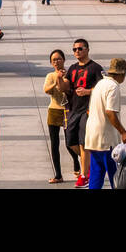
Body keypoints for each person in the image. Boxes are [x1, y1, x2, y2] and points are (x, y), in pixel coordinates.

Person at [84, 58, 126, 189]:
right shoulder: (113, 86)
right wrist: (123, 132)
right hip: (106, 140)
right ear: (120, 74)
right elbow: (110, 112)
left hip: (93, 137)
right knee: (115, 176)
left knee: (96, 174)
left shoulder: (100, 84)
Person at [64, 38, 104, 188]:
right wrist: (59, 77)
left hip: (88, 109)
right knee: (70, 141)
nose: (77, 52)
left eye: (80, 49)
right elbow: (65, 87)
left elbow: (103, 88)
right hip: (73, 108)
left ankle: (84, 175)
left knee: (83, 142)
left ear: (87, 49)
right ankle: (92, 162)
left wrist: (88, 91)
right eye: (74, 49)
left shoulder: (95, 68)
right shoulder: (72, 68)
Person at [44, 49, 72, 183]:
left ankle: (77, 165)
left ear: (64, 60)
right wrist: (56, 80)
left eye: (59, 59)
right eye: (54, 60)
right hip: (54, 111)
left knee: (70, 142)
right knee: (54, 144)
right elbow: (46, 90)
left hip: (67, 111)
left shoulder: (70, 73)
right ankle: (58, 175)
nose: (56, 62)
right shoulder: (50, 76)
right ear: (51, 63)